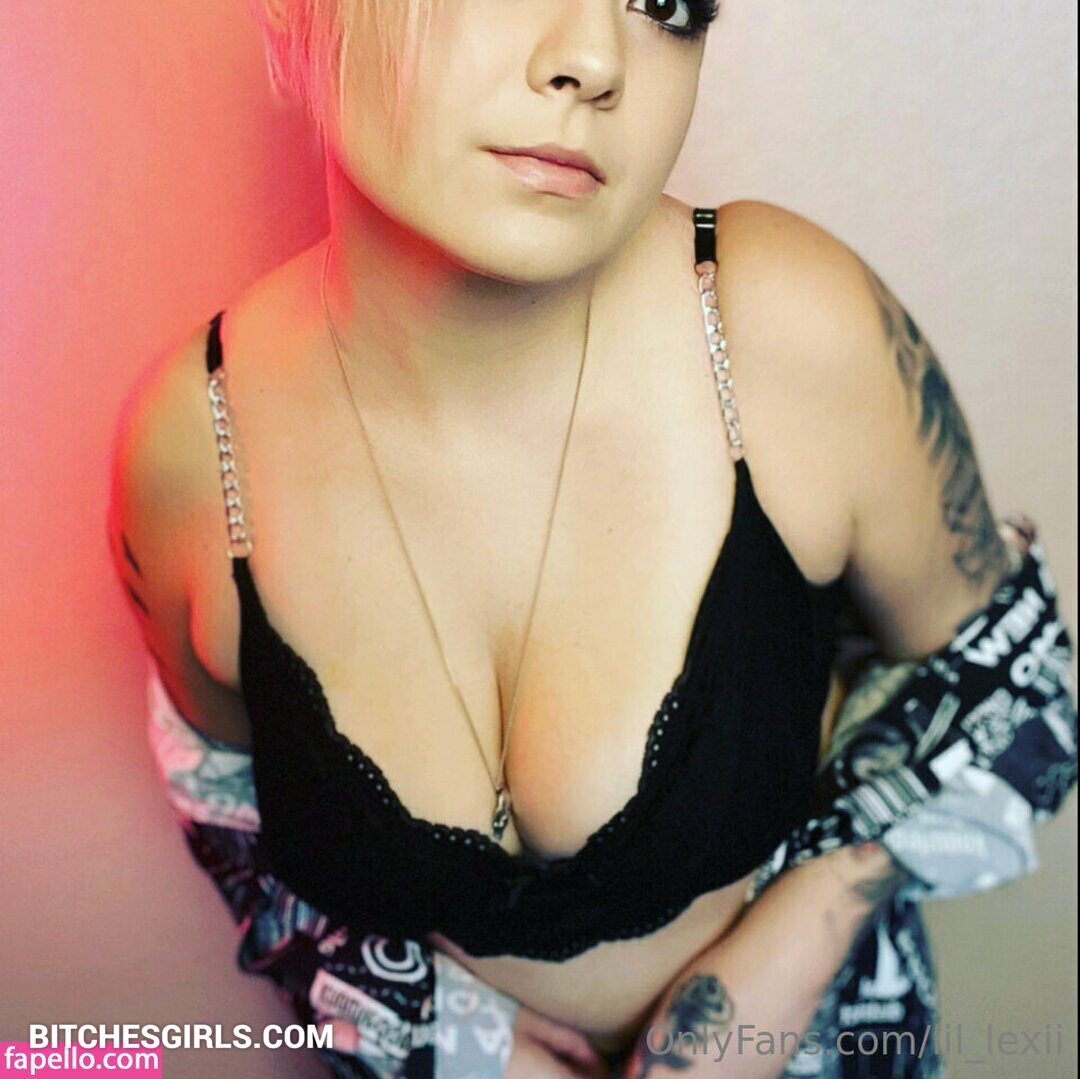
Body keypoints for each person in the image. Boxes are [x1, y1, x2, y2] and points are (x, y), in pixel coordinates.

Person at [106, 2, 1077, 1076]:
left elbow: (1011, 683)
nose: (595, 59)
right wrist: (444, 1035)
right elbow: (233, 820)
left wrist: (802, 930)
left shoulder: (782, 329)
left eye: (666, 5)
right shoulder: (194, 452)